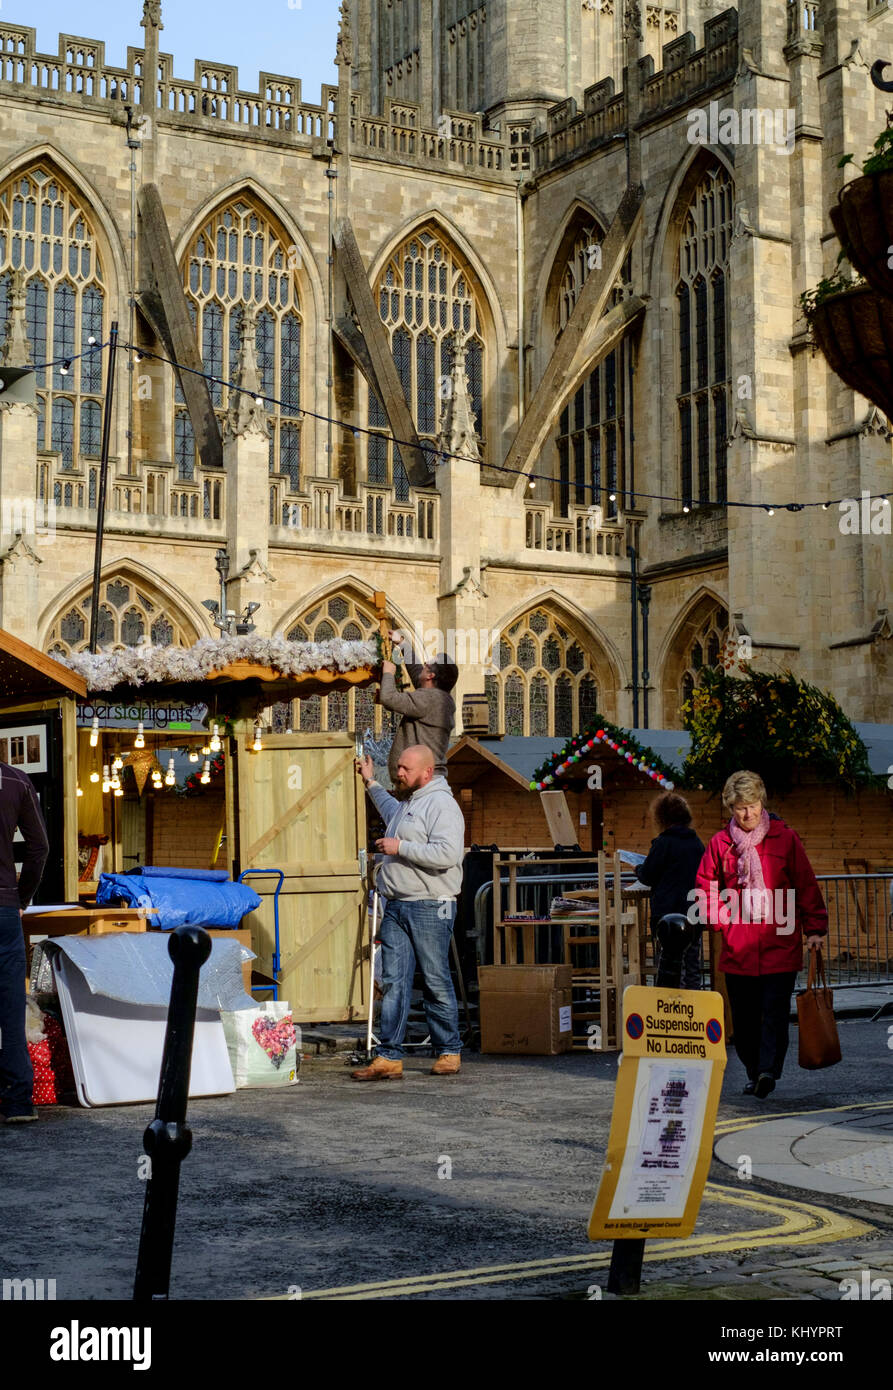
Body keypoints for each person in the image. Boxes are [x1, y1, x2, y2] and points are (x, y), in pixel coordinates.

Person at [694, 770, 826, 1099]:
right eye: (740, 807)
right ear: (730, 808)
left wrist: (815, 928)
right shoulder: (719, 844)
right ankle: (754, 1071)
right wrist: (720, 919)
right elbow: (706, 888)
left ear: (762, 802)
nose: (748, 813)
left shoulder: (785, 838)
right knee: (745, 1019)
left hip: (779, 942)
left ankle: (768, 1070)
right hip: (738, 947)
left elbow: (805, 883)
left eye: (752, 805)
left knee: (775, 1013)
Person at [353, 743, 466, 1080]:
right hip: (399, 904)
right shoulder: (410, 803)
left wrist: (400, 847)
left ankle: (449, 1050)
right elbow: (392, 813)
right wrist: (370, 782)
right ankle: (389, 1056)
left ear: (426, 773)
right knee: (394, 982)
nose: (398, 773)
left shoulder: (442, 805)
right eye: (398, 767)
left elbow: (447, 854)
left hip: (431, 904)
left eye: (405, 768)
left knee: (434, 978)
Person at [0, 760, 49, 1124]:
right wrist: (21, 899)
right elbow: (39, 848)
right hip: (3, 906)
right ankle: (19, 1100)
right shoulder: (15, 779)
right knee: (11, 1005)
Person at [636, 791, 705, 989]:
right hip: (693, 913)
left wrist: (638, 869)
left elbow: (648, 875)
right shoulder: (696, 843)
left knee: (669, 968)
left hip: (668, 917)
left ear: (662, 817)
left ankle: (669, 1012)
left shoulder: (663, 843)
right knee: (691, 967)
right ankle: (694, 1009)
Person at [379, 629, 458, 786]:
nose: (424, 664)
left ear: (430, 676)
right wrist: (402, 644)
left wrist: (388, 673)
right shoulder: (439, 697)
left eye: (426, 665)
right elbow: (417, 674)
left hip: (419, 782)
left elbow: (387, 698)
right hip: (423, 779)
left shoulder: (430, 699)